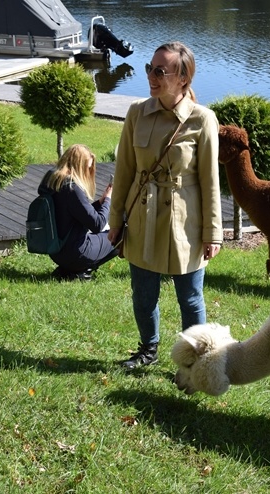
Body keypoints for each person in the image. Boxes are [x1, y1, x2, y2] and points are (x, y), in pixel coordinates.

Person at [108, 41, 223, 369]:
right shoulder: (136, 113)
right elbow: (125, 171)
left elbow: (209, 181)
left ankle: (194, 363)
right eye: (150, 68)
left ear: (183, 79)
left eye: (160, 71)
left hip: (184, 224)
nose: (152, 76)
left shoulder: (202, 120)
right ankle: (148, 350)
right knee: (143, 295)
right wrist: (115, 219)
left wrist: (212, 232)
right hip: (142, 217)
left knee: (190, 298)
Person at [40, 144, 118, 281]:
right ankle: (80, 270)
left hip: (56, 250)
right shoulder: (72, 187)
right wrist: (108, 200)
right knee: (121, 233)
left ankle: (66, 270)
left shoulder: (52, 180)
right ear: (79, 166)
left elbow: (75, 212)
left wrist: (100, 202)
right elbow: (97, 224)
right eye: (87, 168)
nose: (89, 172)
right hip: (76, 252)